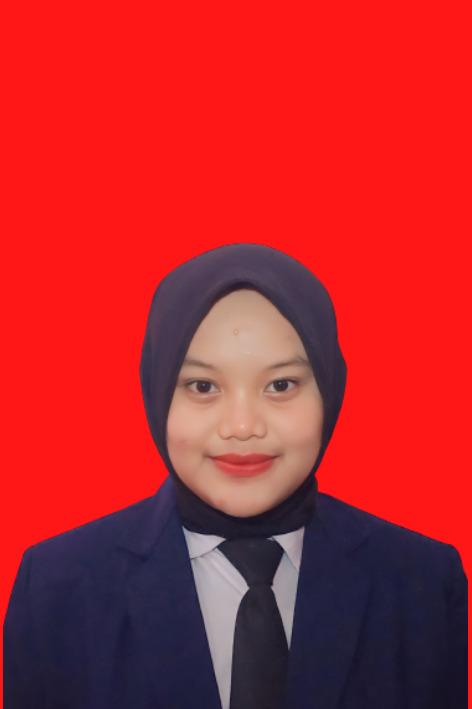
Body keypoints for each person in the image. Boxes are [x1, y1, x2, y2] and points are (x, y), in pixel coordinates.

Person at [3, 242, 467, 709]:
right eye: (203, 386)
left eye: (281, 385)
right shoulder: (57, 588)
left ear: (330, 389)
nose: (242, 426)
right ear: (157, 392)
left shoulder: (424, 584)